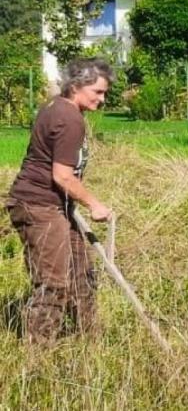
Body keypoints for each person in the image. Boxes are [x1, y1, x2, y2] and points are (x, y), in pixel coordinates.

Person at [5, 58, 113, 345]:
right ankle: (38, 352)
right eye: (97, 92)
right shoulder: (69, 118)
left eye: (104, 93)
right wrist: (94, 204)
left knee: (81, 274)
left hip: (56, 205)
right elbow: (62, 176)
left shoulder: (57, 107)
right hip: (39, 206)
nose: (102, 99)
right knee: (54, 283)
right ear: (76, 86)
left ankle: (90, 342)